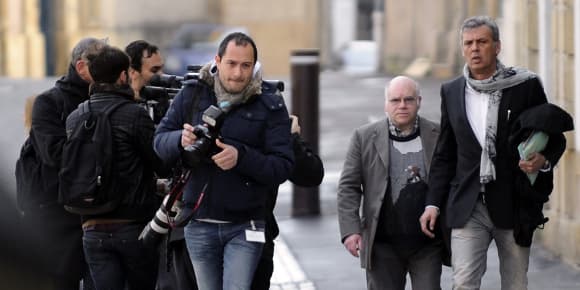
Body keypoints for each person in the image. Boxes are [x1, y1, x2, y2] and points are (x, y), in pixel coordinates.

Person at [419, 16, 567, 290]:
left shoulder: (525, 86)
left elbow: (552, 136)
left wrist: (543, 160)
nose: (475, 48)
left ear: (497, 47)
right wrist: (432, 204)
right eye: (469, 43)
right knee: (463, 283)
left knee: (515, 284)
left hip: (513, 204)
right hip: (467, 205)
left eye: (482, 42)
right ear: (463, 49)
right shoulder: (451, 91)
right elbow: (445, 154)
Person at [154, 32, 294, 289]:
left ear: (254, 66)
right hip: (198, 223)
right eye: (231, 63)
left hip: (245, 225)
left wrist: (240, 157)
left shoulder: (269, 105)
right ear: (218, 60)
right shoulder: (193, 94)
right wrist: (179, 139)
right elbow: (159, 141)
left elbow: (282, 167)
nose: (238, 73)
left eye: (246, 65)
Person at [67, 45, 167, 290]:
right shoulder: (135, 114)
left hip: (91, 226)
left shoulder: (75, 117)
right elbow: (160, 163)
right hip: (133, 225)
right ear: (123, 75)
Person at [337, 76, 443, 290]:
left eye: (408, 99)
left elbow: (449, 180)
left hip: (427, 244)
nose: (402, 105)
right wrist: (351, 230)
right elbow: (348, 186)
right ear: (386, 104)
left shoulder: (437, 134)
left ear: (419, 101)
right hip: (382, 244)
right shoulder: (364, 137)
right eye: (395, 100)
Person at [20, 37, 107, 290]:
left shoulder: (110, 100)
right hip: (57, 214)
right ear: (82, 68)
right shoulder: (50, 102)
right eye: (103, 65)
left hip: (100, 215)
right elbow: (54, 155)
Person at [251, 114, 325, 290]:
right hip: (195, 234)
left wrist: (291, 139)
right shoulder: (192, 102)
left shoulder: (266, 110)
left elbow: (311, 174)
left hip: (256, 232)